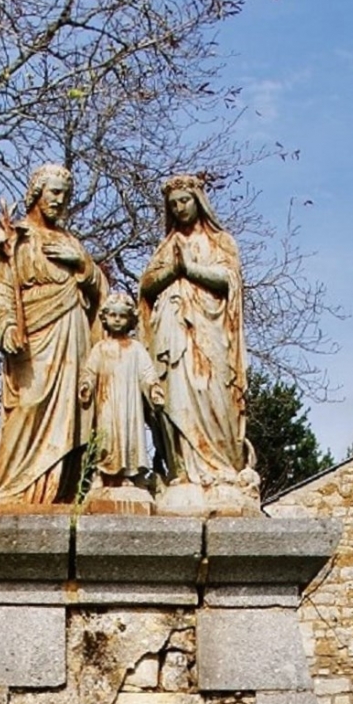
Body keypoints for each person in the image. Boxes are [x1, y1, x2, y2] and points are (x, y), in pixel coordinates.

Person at [0, 163, 107, 509]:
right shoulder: (15, 236)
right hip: (34, 335)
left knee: (74, 412)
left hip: (73, 332)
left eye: (66, 195)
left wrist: (83, 265)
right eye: (54, 192)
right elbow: (1, 283)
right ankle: (13, 491)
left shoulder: (71, 242)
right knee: (29, 403)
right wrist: (6, 324)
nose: (60, 200)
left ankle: (61, 493)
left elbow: (100, 290)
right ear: (37, 193)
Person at [138, 173, 249, 494]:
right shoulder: (167, 247)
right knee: (176, 398)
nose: (179, 209)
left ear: (198, 202)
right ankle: (182, 471)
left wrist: (190, 270)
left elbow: (229, 280)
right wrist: (173, 271)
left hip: (210, 333)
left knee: (212, 393)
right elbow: (146, 286)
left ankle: (221, 468)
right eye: (173, 205)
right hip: (171, 336)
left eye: (185, 201)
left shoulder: (220, 242)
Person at [79, 293, 164, 487]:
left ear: (130, 319)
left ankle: (128, 474)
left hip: (129, 404)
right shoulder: (100, 348)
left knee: (128, 436)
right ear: (105, 318)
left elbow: (147, 373)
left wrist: (153, 389)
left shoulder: (136, 348)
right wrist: (86, 385)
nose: (117, 320)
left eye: (122, 316)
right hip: (106, 402)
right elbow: (90, 372)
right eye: (113, 315)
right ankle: (102, 474)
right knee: (106, 436)